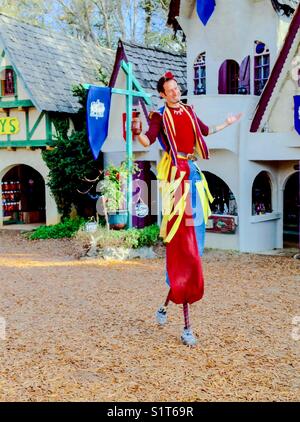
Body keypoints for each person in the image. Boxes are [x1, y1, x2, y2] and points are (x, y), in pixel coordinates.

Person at [136, 71, 242, 346]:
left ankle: (170, 300)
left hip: (193, 171)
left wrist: (227, 123)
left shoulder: (189, 111)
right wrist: (136, 133)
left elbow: (205, 132)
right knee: (182, 240)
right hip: (176, 175)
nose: (175, 92)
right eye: (169, 90)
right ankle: (186, 323)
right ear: (162, 94)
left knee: (195, 243)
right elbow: (148, 139)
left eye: (176, 88)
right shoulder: (159, 116)